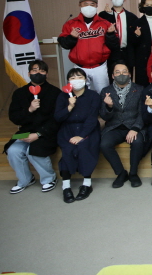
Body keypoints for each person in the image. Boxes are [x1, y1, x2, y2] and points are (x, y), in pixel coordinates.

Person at [5, 60, 60, 194]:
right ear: (29, 73)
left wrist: (39, 134)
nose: (38, 73)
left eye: (42, 71)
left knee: (35, 150)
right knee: (13, 150)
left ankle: (49, 178)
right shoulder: (19, 93)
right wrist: (29, 109)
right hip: (25, 131)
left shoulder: (55, 92)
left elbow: (57, 119)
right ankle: (25, 179)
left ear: (46, 74)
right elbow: (14, 117)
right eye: (35, 70)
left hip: (46, 132)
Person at [54, 68, 101, 203]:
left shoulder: (93, 95)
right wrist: (69, 107)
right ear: (68, 81)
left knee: (84, 147)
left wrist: (82, 135)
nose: (76, 80)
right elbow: (57, 117)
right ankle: (66, 186)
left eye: (79, 77)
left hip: (88, 129)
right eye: (72, 78)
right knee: (68, 150)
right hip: (68, 129)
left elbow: (92, 118)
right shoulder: (62, 96)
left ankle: (87, 184)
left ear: (85, 79)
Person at [99, 62, 147, 188]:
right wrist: (109, 107)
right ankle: (121, 173)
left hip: (133, 125)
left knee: (137, 142)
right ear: (112, 76)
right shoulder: (106, 91)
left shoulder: (140, 89)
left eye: (124, 71)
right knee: (104, 144)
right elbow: (104, 116)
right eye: (118, 72)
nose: (121, 74)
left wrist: (135, 128)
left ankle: (133, 173)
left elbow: (142, 113)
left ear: (129, 74)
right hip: (114, 127)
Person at [58, 0, 119, 93]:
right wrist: (72, 37)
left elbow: (114, 45)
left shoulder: (105, 23)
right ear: (80, 5)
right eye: (85, 4)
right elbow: (64, 44)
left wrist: (110, 34)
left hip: (100, 66)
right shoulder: (70, 24)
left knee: (103, 94)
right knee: (80, 94)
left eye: (92, 4)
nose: (89, 7)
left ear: (96, 6)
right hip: (79, 67)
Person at [99, 0, 140, 78]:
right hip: (110, 53)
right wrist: (109, 15)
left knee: (127, 78)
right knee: (111, 78)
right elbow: (104, 32)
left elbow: (134, 38)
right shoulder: (103, 15)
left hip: (127, 53)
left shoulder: (132, 17)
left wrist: (137, 35)